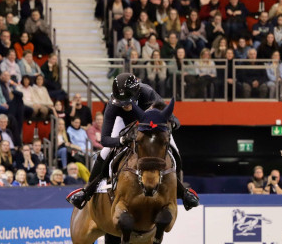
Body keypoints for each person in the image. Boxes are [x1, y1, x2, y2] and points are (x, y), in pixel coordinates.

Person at [67, 73, 198, 211]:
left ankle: (182, 192)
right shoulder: (113, 105)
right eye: (121, 103)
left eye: (128, 102)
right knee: (105, 152)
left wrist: (173, 121)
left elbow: (166, 113)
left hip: (148, 127)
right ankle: (87, 191)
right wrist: (122, 140)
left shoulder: (147, 93)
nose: (125, 106)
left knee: (173, 149)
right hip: (124, 125)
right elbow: (105, 139)